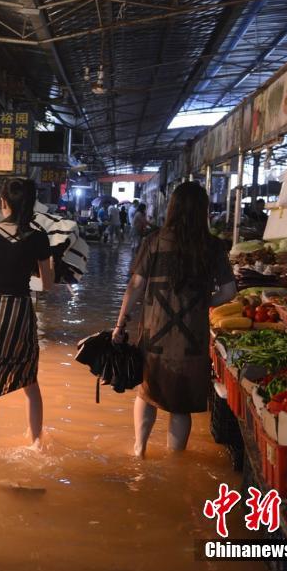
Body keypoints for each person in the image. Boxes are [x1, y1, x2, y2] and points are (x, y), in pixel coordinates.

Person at [112, 182, 237, 457]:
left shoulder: (154, 241)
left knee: (147, 393)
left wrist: (120, 323)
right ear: (203, 211)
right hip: (192, 339)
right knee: (180, 405)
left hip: (154, 332)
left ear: (172, 209)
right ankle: (175, 462)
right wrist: (204, 302)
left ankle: (139, 450)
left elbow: (135, 286)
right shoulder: (213, 247)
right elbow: (229, 291)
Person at [0, 179, 54, 449]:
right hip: (20, 312)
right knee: (30, 383)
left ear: (3, 202)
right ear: (29, 204)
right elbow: (48, 284)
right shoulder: (38, 238)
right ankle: (36, 444)